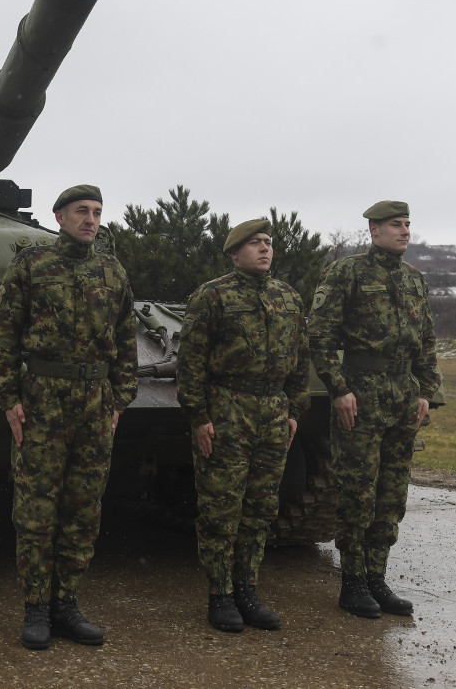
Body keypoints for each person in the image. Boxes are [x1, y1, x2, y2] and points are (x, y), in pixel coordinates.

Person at [0, 184, 138, 650]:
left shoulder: (113, 272)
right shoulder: (32, 266)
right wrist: (9, 396)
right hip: (43, 399)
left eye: (96, 212)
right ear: (59, 217)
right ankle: (36, 607)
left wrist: (120, 399)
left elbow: (127, 339)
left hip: (94, 400)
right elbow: (5, 333)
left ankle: (66, 604)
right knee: (36, 511)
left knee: (83, 509)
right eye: (80, 211)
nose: (90, 219)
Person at [176, 218, 311, 632]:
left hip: (272, 414)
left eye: (268, 243)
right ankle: (220, 596)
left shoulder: (288, 298)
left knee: (259, 509)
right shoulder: (212, 297)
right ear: (235, 253)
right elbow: (190, 364)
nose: (265, 249)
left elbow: (300, 362)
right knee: (221, 510)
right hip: (227, 413)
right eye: (255, 243)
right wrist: (199, 417)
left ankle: (248, 592)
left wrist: (294, 412)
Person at [308, 200, 440, 619]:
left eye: (407, 224)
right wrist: (339, 389)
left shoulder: (414, 280)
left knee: (391, 494)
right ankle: (352, 582)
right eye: (395, 225)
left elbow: (428, 344)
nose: (404, 231)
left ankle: (378, 579)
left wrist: (426, 392)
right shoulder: (348, 273)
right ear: (373, 230)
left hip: (403, 398)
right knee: (357, 491)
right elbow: (320, 335)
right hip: (360, 397)